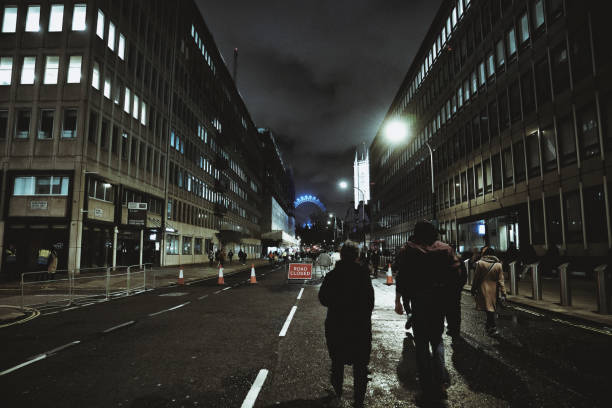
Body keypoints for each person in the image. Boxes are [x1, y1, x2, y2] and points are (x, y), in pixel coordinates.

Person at [394, 220, 460, 402]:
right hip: (439, 302)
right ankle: (440, 382)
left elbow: (402, 276)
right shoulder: (445, 249)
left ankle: (426, 384)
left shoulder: (408, 249)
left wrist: (399, 300)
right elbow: (458, 275)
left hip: (419, 302)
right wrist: (449, 296)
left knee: (422, 344)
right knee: (437, 339)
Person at [319, 241, 374, 408]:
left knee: (337, 361)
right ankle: (358, 400)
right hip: (360, 326)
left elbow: (323, 298)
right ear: (357, 256)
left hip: (337, 324)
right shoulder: (363, 275)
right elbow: (369, 302)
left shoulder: (332, 275)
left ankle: (337, 395)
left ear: (341, 255)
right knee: (360, 365)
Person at [471, 246, 507, 336]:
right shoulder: (498, 265)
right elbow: (501, 281)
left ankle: (491, 327)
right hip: (494, 290)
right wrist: (504, 293)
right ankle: (491, 327)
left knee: (489, 309)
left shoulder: (480, 263)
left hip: (483, 289)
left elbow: (476, 278)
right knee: (491, 309)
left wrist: (473, 288)